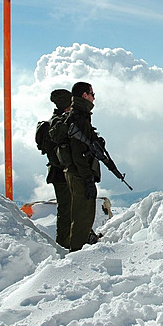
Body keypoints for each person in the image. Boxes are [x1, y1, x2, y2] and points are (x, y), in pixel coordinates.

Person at [65, 81, 102, 251]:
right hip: (80, 174)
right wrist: (87, 177)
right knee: (83, 216)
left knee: (83, 214)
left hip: (78, 173)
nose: (94, 98)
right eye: (92, 94)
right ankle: (77, 256)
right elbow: (78, 152)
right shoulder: (79, 116)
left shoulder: (80, 115)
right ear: (84, 95)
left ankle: (79, 249)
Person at [47, 89, 73, 249]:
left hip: (58, 173)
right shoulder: (60, 124)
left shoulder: (54, 122)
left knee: (69, 210)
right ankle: (64, 245)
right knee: (66, 212)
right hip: (62, 174)